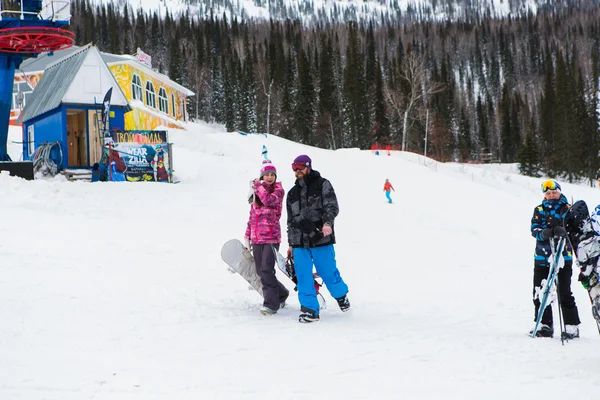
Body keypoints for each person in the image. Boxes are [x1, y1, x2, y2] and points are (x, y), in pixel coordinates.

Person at [286, 154, 350, 323]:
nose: (297, 170)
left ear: (308, 166)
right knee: (303, 276)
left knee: (328, 272)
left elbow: (332, 206)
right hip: (299, 242)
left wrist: (327, 223)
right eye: (294, 167)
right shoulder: (292, 193)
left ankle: (341, 295)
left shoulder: (323, 184)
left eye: (300, 167)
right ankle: (310, 310)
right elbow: (290, 221)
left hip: (320, 238)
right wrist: (291, 244)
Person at [529, 179, 581, 338]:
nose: (551, 195)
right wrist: (543, 233)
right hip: (542, 256)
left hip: (563, 255)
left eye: (554, 192)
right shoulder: (539, 209)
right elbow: (534, 228)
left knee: (564, 291)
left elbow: (575, 230)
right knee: (540, 291)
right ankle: (545, 324)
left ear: (559, 191)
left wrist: (564, 231)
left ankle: (571, 326)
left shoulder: (567, 209)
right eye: (548, 193)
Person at [244, 160, 289, 315]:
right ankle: (282, 294)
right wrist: (247, 236)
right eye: (266, 175)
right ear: (262, 176)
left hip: (271, 237)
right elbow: (252, 216)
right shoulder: (257, 192)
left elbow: (268, 201)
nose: (269, 177)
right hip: (257, 238)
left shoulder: (278, 190)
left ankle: (271, 304)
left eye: (272, 175)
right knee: (260, 270)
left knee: (267, 269)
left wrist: (258, 186)